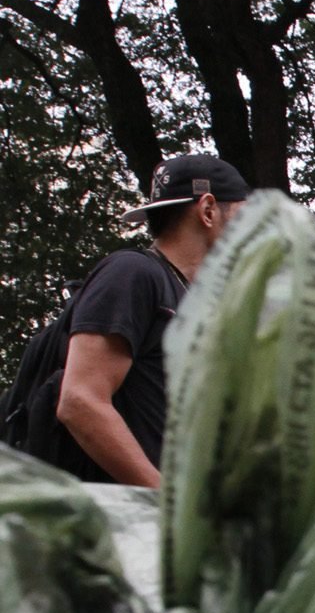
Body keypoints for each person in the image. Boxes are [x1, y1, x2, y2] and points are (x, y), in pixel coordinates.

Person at [55, 154, 251, 485]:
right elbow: (80, 401)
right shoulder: (132, 273)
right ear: (208, 210)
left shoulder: (188, 300)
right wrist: (164, 502)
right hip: (113, 522)